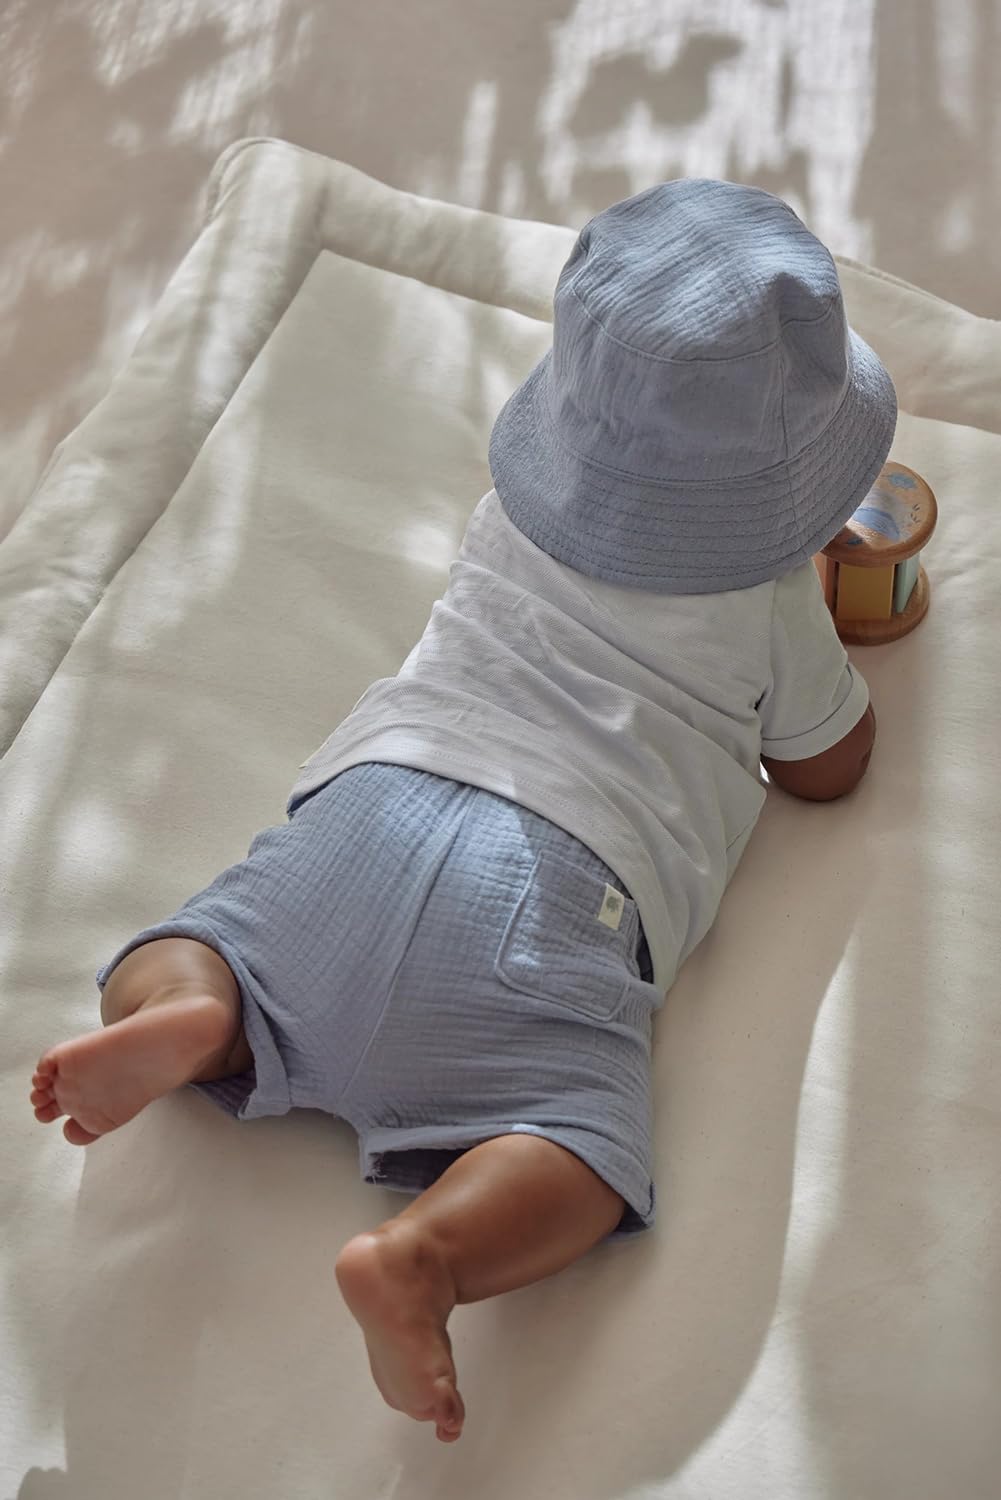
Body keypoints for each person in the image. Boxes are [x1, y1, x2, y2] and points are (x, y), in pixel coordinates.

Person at [30, 179, 891, 1444]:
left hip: (369, 806)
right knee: (581, 1148)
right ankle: (425, 1255)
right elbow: (829, 766)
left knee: (218, 931)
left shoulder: (509, 510)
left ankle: (198, 1009)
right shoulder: (770, 594)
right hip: (551, 893)